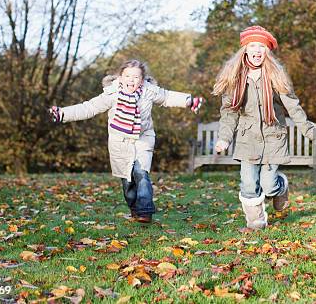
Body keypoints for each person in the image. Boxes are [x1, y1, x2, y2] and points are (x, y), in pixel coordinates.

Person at [49, 59, 203, 223]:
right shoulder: (112, 94)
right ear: (120, 78)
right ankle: (135, 209)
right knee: (128, 181)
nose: (132, 80)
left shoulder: (149, 91)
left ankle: (145, 212)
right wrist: (63, 113)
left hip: (143, 139)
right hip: (120, 142)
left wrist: (188, 101)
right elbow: (89, 107)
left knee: (141, 173)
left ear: (142, 80)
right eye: (128, 76)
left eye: (136, 77)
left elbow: (167, 97)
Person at [213, 26, 315, 230]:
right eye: (253, 45)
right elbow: (229, 112)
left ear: (267, 51)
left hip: (272, 138)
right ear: (245, 49)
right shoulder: (235, 77)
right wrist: (224, 138)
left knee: (269, 185)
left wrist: (311, 132)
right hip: (247, 140)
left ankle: (281, 186)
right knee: (248, 184)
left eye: (262, 46)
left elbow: (292, 106)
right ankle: (256, 224)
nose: (257, 50)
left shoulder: (276, 75)